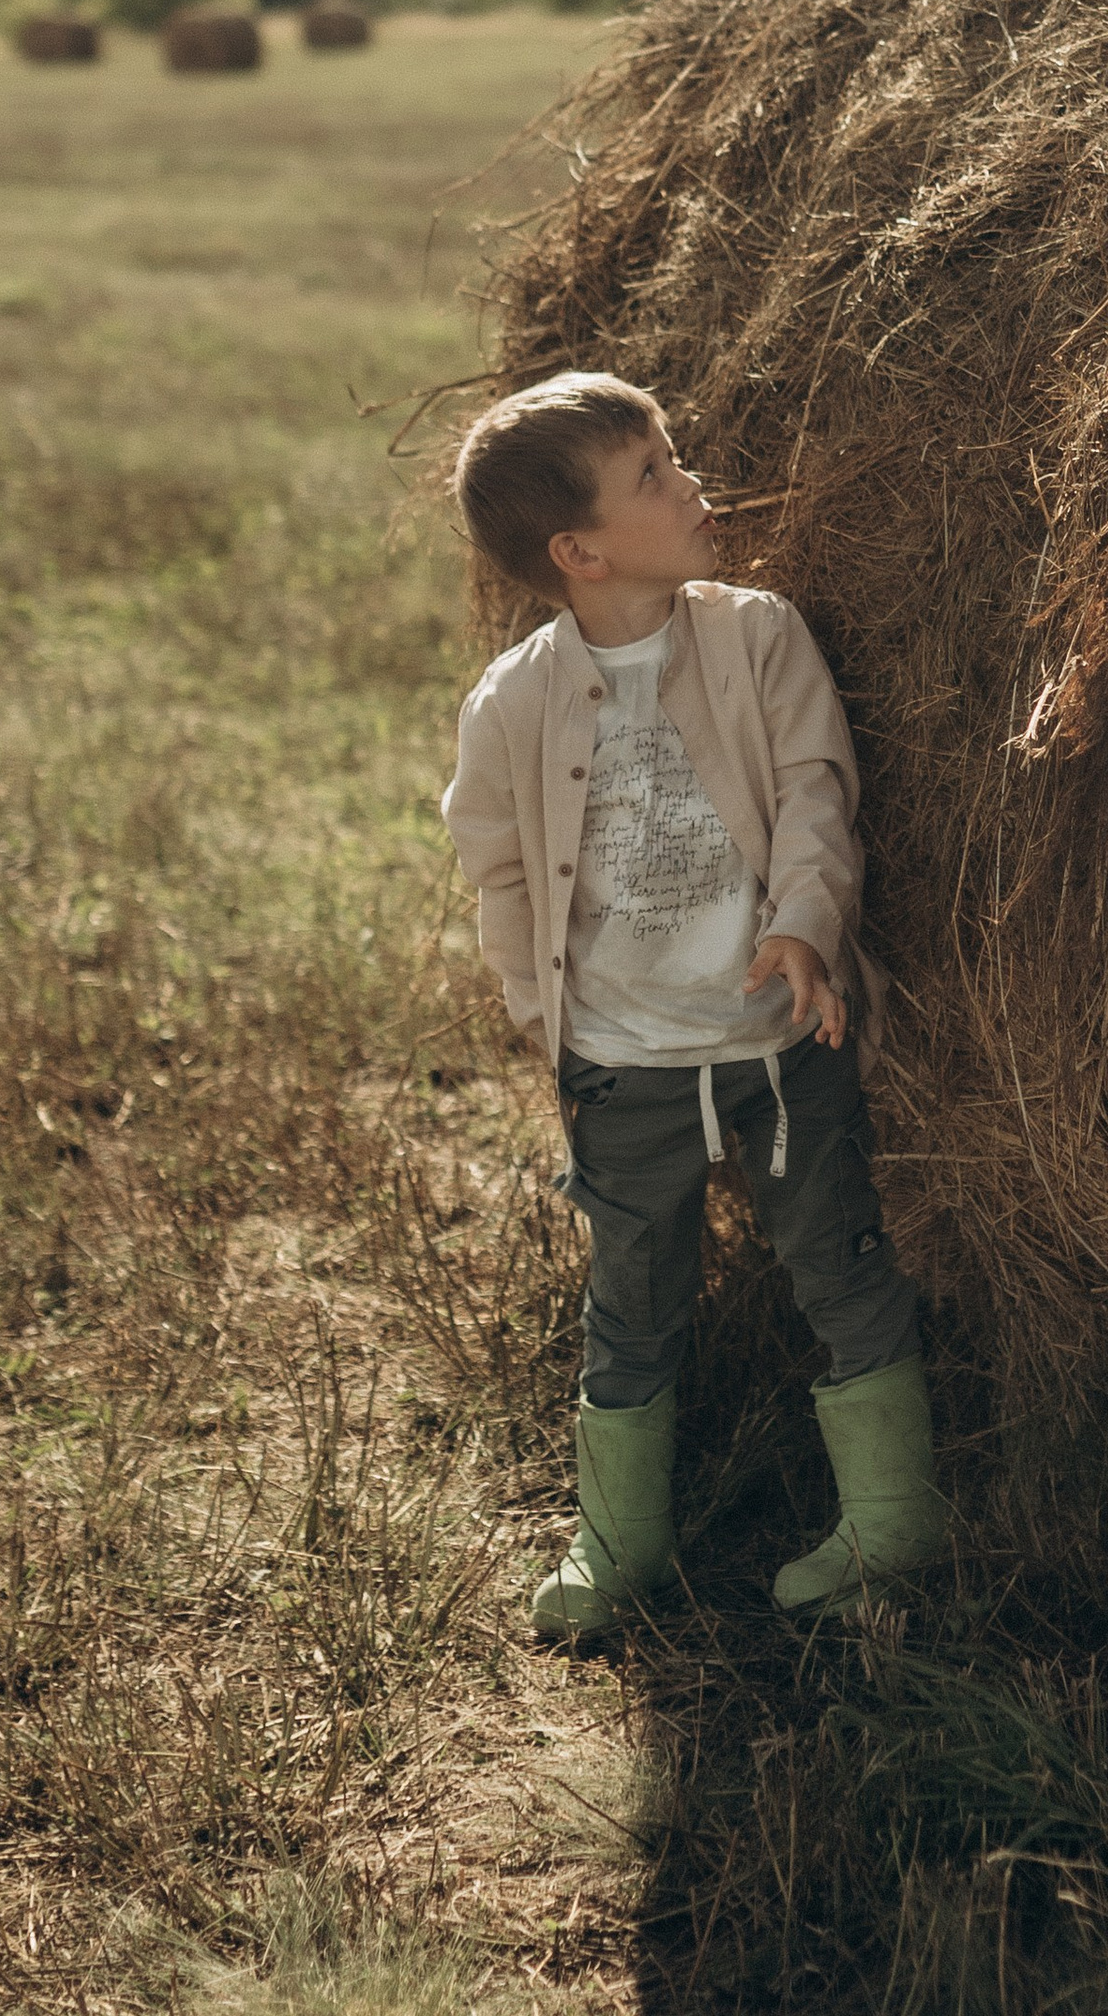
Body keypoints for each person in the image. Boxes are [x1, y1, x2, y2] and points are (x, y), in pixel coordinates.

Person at [442, 370, 946, 1642]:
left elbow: (816, 790)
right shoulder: (511, 704)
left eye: (671, 455)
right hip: (621, 1064)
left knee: (838, 1261)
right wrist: (533, 1011)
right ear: (582, 549)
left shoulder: (756, 634)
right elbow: (497, 868)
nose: (691, 481)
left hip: (779, 1044)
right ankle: (619, 1544)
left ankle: (894, 1523)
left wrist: (801, 928)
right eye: (656, 473)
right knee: (634, 1294)